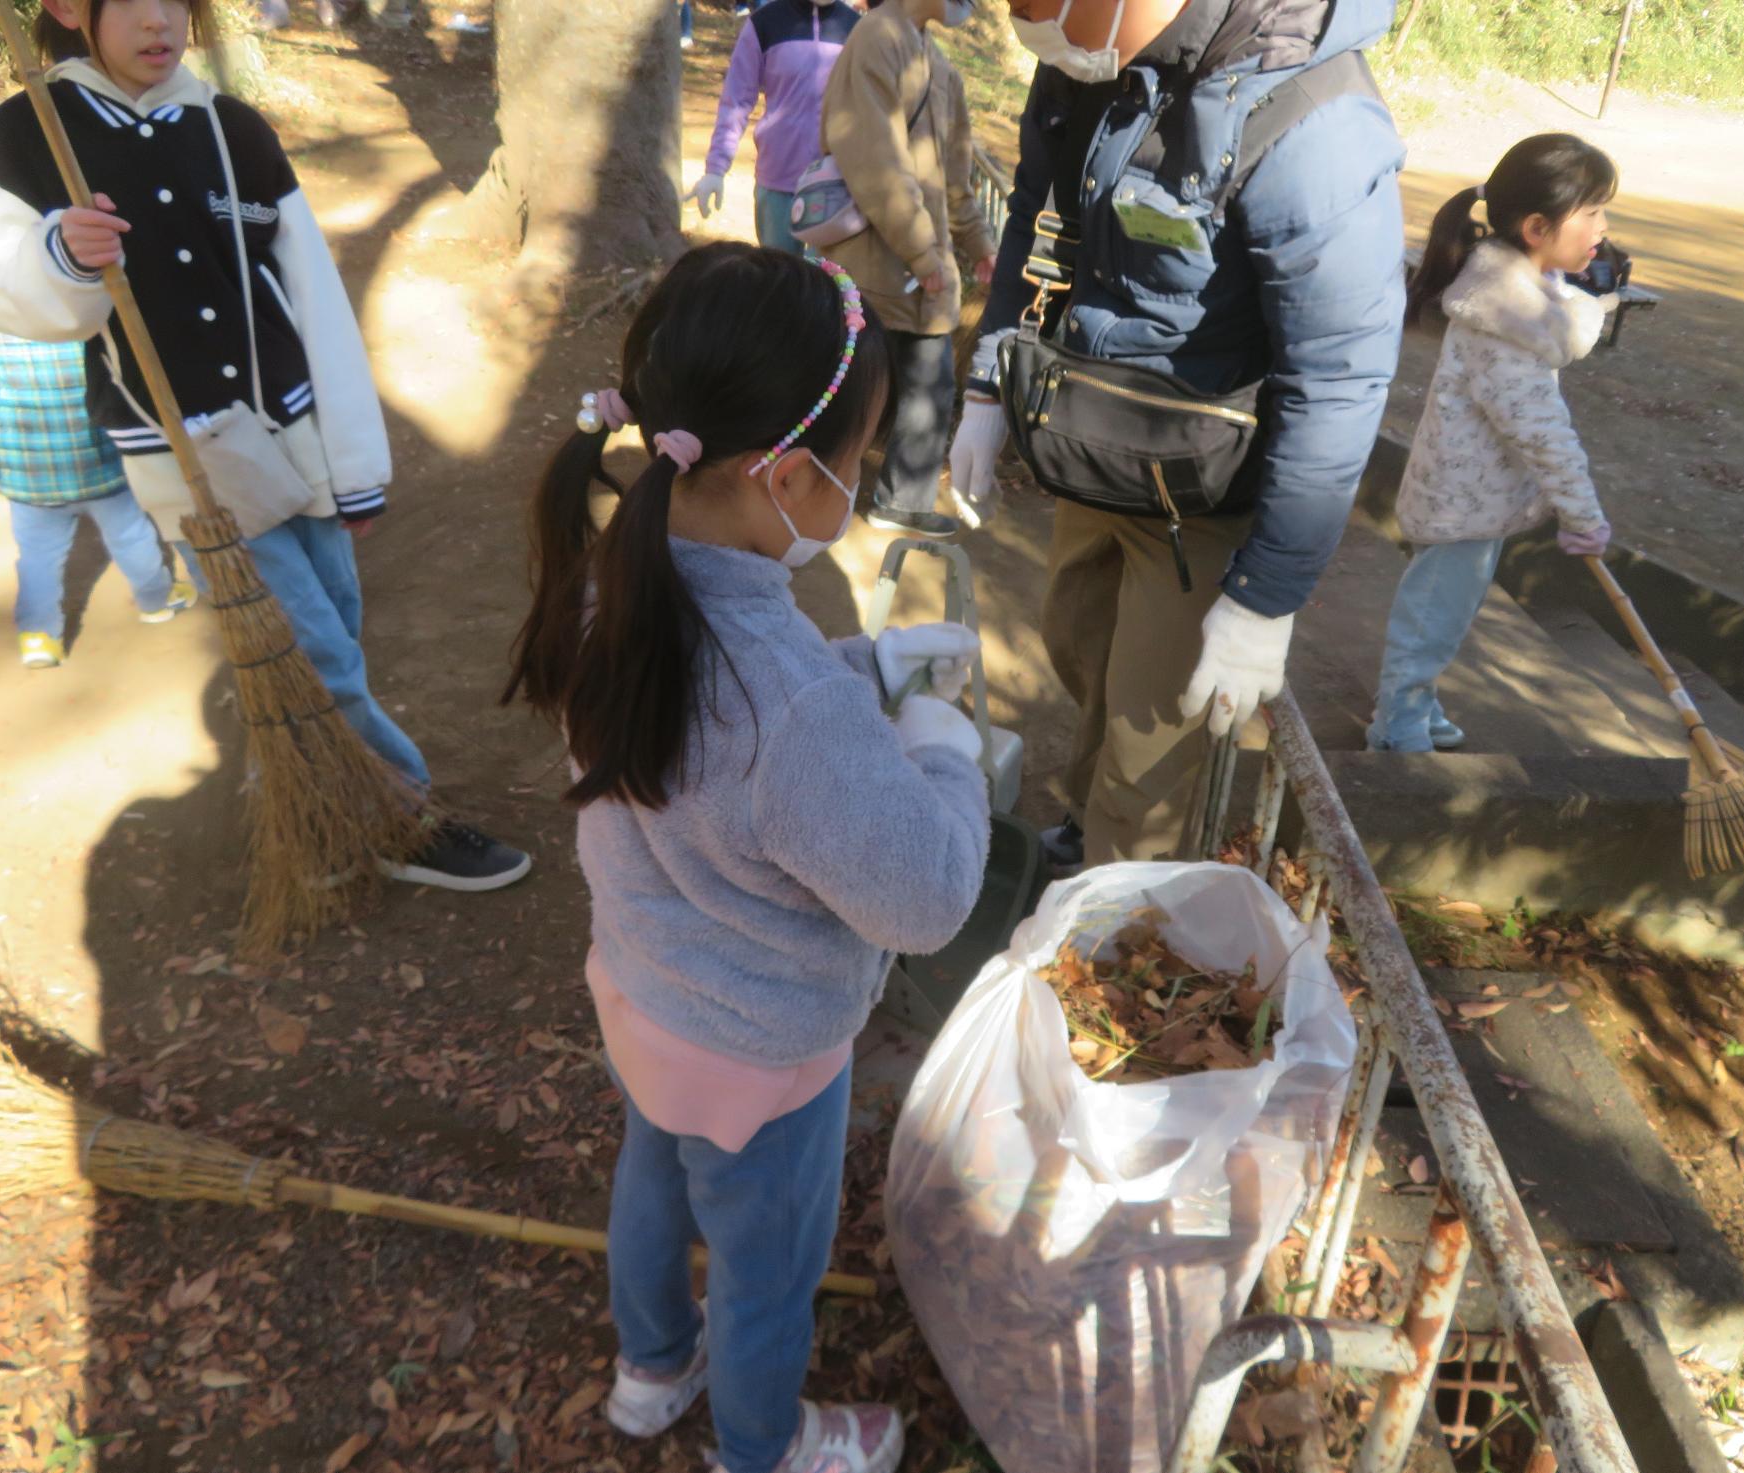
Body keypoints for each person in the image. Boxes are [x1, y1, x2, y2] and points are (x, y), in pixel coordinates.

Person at [503, 243, 989, 1473]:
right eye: (858, 462)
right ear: (783, 474)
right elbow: (926, 896)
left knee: (652, 1184)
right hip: (763, 1054)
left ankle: (649, 1372)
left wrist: (855, 671)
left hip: (645, 993)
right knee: (767, 1273)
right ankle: (763, 1447)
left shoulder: (613, 577)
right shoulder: (785, 711)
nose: (863, 487)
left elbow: (721, 750)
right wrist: (940, 742)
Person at [0, 0, 530, 892]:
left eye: (175, 2)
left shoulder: (230, 126)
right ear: (71, 9)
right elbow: (1, 292)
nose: (161, 23)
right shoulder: (38, 128)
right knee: (311, 648)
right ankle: (402, 814)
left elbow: (307, 289)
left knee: (334, 616)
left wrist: (354, 464)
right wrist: (60, 254)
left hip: (295, 424)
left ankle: (314, 786)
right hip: (186, 447)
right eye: (135, 3)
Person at [948, 0, 1406, 867]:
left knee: (1152, 739)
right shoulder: (1088, 63)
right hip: (1093, 440)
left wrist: (1267, 595)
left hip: (1203, 489)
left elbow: (1339, 374)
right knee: (1081, 649)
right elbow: (1033, 221)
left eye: (1043, 7)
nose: (1027, 24)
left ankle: (1120, 935)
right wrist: (985, 386)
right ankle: (1088, 837)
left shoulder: (1312, 123)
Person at [1366, 134, 1619, 753]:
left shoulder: (1525, 294)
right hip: (1461, 501)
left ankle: (1417, 704)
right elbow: (1541, 431)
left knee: (1449, 610)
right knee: (1433, 616)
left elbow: (1562, 326)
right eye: (1590, 213)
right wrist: (1582, 515)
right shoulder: (1503, 325)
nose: (1603, 228)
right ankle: (1396, 724)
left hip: (1476, 495)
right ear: (1537, 227)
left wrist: (1591, 295)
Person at [0, 290, 194, 669]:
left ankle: (39, 635)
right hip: (103, 465)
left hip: (28, 479)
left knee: (38, 557)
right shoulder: (84, 298)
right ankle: (156, 599)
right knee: (131, 535)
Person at [821, 0, 995, 540]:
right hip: (875, 265)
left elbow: (957, 182)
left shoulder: (939, 64)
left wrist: (981, 247)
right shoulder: (876, 37)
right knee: (848, 387)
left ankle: (901, 500)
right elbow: (873, 160)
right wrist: (925, 252)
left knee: (930, 387)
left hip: (926, 274)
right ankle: (809, 492)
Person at [687, 0, 858, 243]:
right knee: (780, 277)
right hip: (777, 184)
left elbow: (871, 110)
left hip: (836, 186)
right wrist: (715, 169)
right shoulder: (764, 23)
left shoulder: (857, 28)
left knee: (829, 280)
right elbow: (736, 100)